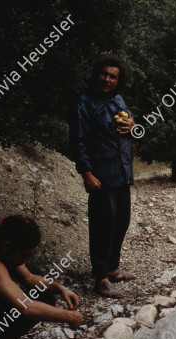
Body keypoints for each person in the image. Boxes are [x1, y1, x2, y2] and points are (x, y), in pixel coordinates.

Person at [69, 54, 137, 298]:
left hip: (122, 171)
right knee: (102, 227)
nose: (107, 79)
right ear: (97, 73)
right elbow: (78, 141)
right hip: (101, 174)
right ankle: (100, 279)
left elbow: (132, 131)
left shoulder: (118, 99)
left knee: (121, 223)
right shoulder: (84, 103)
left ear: (119, 81)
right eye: (104, 74)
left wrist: (134, 128)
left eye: (113, 76)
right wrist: (86, 173)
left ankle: (113, 269)